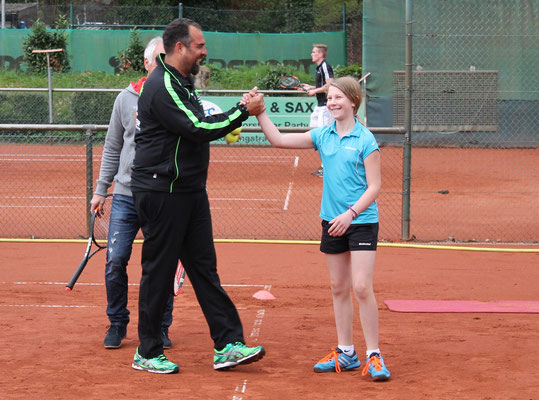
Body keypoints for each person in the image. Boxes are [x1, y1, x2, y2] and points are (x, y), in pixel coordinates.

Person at [130, 18, 266, 374]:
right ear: (180, 48)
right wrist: (241, 113)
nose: (205, 51)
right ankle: (147, 351)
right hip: (162, 191)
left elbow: (199, 121)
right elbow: (197, 128)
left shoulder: (181, 82)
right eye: (199, 45)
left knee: (204, 270)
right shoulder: (161, 84)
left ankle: (228, 344)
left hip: (188, 191)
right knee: (158, 273)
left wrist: (237, 108)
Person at [251, 76, 390, 381]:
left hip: (361, 221)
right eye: (329, 98)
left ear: (353, 101)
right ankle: (346, 352)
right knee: (338, 288)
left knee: (362, 287)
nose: (333, 102)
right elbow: (279, 140)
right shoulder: (323, 135)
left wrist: (350, 214)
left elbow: (375, 186)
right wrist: (260, 111)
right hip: (331, 221)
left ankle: (374, 354)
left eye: (339, 97)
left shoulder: (366, 140)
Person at [90, 37, 175, 350]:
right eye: (159, 60)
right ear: (147, 63)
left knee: (161, 265)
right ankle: (117, 323)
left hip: (163, 196)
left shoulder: (177, 96)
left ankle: (160, 327)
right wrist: (101, 190)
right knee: (116, 261)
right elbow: (113, 145)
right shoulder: (125, 99)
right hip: (125, 196)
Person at [300, 44, 334, 177]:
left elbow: (330, 85)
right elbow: (323, 85)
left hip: (326, 106)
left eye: (313, 52)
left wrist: (314, 90)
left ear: (320, 55)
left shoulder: (325, 65)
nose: (311, 54)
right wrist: (311, 87)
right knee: (315, 135)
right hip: (319, 106)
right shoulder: (319, 68)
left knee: (324, 137)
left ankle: (327, 167)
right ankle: (324, 165)